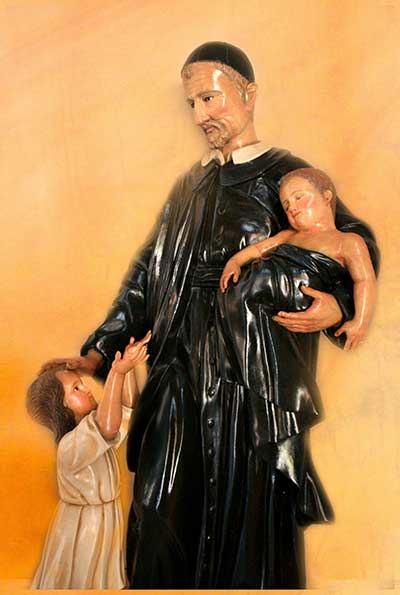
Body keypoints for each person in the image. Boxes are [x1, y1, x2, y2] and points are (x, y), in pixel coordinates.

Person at [42, 42, 379, 588]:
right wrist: (100, 349)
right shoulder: (188, 187)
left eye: (210, 98)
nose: (200, 115)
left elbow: (348, 242)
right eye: (192, 103)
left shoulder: (286, 178)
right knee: (161, 502)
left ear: (248, 93)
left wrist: (340, 305)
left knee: (247, 509)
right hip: (178, 364)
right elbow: (147, 273)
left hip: (249, 374)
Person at [28, 333, 150, 589]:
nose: (85, 388)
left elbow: (126, 410)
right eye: (75, 389)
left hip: (106, 517)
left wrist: (127, 368)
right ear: (62, 406)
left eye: (81, 383)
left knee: (101, 578)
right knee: (84, 577)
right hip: (85, 525)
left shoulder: (94, 432)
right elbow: (109, 426)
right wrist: (117, 372)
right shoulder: (72, 445)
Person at [220, 167, 377, 351]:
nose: (292, 208)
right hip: (251, 309)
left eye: (299, 197)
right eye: (286, 205)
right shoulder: (288, 235)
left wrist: (360, 321)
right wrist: (235, 262)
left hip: (292, 320)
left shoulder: (348, 241)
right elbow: (258, 249)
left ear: (326, 197)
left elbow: (365, 281)